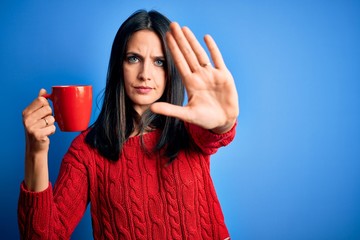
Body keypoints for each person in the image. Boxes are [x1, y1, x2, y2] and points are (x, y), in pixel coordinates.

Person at [18, 9, 239, 240]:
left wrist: (225, 122)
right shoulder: (86, 152)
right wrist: (36, 151)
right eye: (134, 58)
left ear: (171, 70)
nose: (145, 74)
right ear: (118, 66)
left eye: (159, 62)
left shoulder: (189, 129)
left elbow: (215, 133)